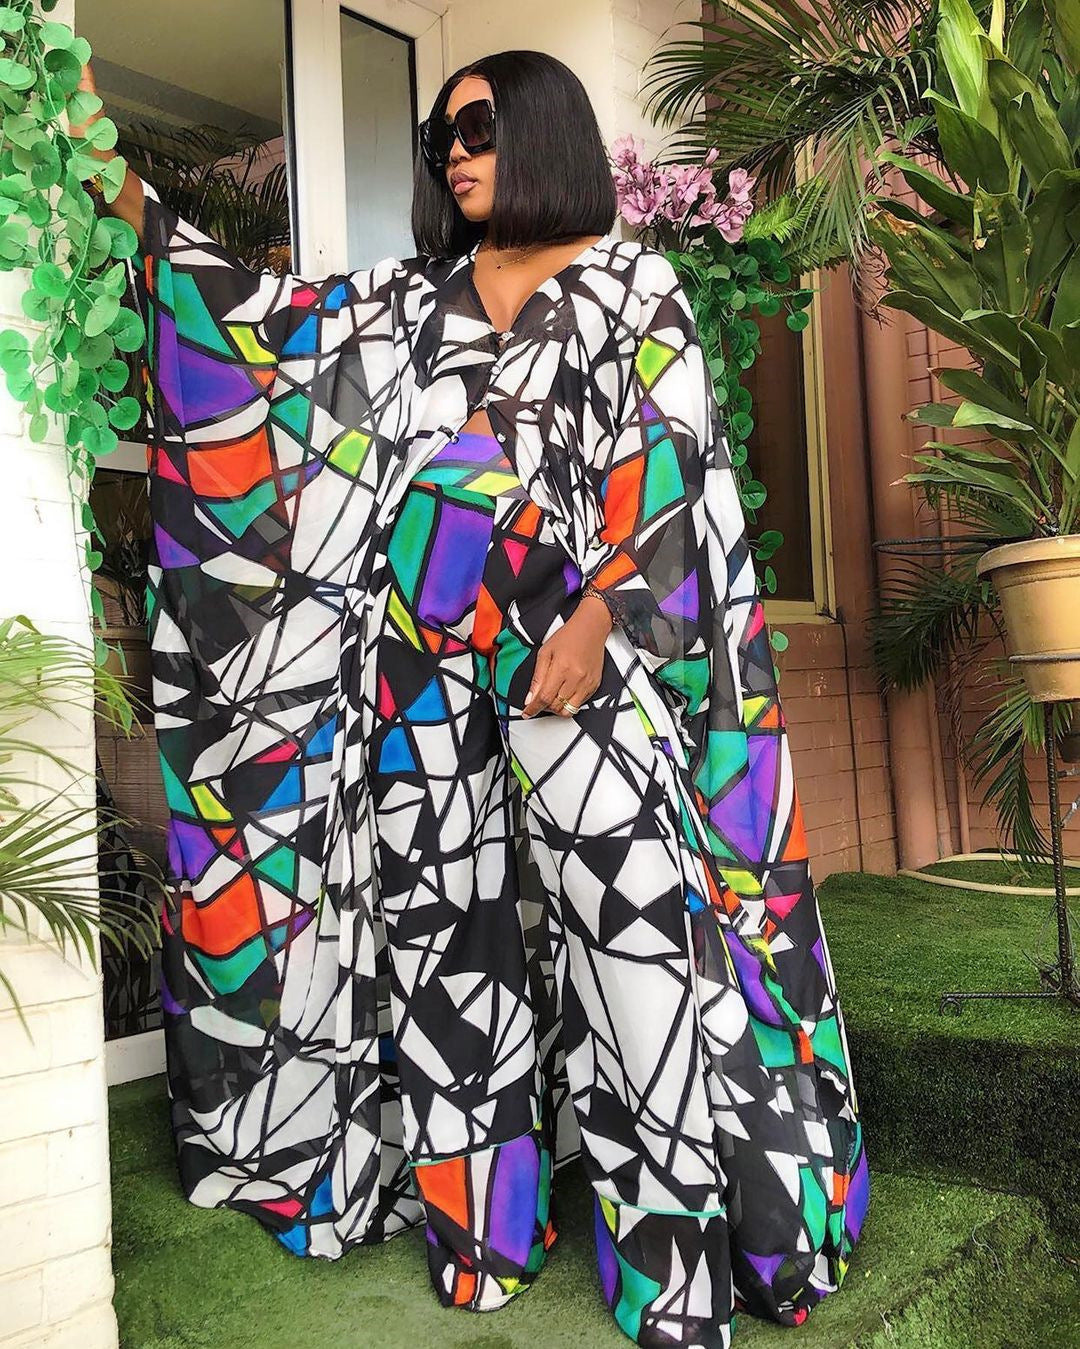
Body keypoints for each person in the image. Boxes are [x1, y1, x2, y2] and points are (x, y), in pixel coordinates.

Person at [74, 50, 868, 1348]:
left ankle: (676, 1271)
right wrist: (112, 180)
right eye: (441, 132)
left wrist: (604, 612)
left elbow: (667, 468)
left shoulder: (633, 285)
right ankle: (485, 1235)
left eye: (480, 124)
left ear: (546, 128)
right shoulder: (408, 302)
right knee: (456, 970)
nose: (453, 148)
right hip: (425, 687)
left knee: (641, 971)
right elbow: (260, 327)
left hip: (577, 668)